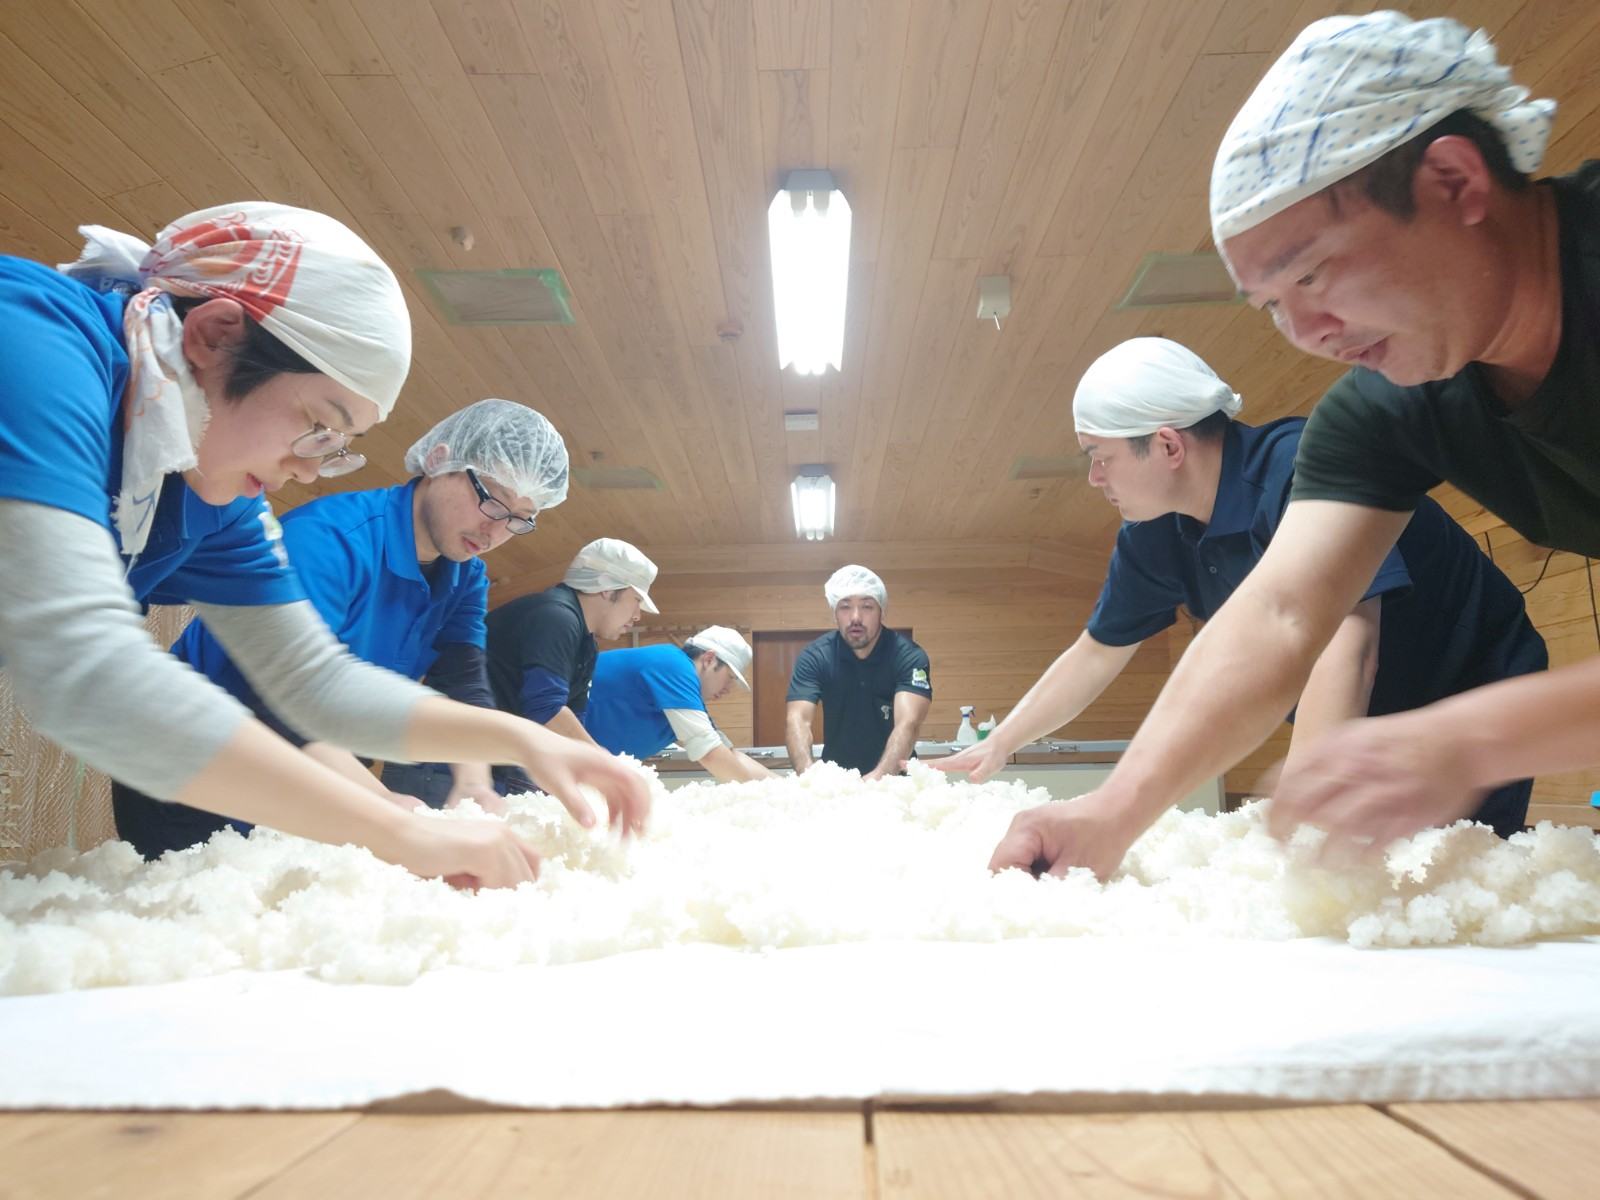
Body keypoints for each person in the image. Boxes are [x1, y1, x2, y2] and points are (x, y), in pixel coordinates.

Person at [991, 12, 1597, 877]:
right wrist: (1109, 815)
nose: (1305, 334)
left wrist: (1466, 738)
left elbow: (1352, 638)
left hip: (1470, 679)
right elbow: (1280, 615)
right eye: (1272, 305)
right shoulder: (1385, 410)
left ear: (1456, 183)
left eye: (1311, 273)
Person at [0, 203, 646, 890]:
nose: (310, 468)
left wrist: (522, 739)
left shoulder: (216, 496)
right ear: (216, 336)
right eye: (318, 423)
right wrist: (393, 828)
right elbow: (86, 672)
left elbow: (316, 683)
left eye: (338, 446)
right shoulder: (35, 344)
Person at [938, 338, 1543, 841]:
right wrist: (999, 745)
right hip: (1365, 709)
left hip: (1471, 687)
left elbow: (1347, 643)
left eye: (1101, 457)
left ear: (1169, 445)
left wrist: (1305, 801)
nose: (1094, 478)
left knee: (1448, 879)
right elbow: (1098, 650)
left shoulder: (1298, 469)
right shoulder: (1155, 532)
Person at [109, 398, 570, 856]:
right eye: (491, 501)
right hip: (195, 776)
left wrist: (473, 786)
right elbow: (285, 702)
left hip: (314, 778)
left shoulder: (464, 575)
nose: (494, 532)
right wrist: (384, 806)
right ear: (439, 461)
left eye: (519, 519)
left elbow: (464, 684)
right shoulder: (327, 541)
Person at [483, 538, 659, 788]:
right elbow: (545, 708)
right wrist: (604, 764)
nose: (637, 615)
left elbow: (572, 715)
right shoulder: (556, 617)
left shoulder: (586, 643)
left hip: (502, 762)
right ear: (608, 589)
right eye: (636, 601)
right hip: (457, 764)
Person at [786, 565, 932, 779]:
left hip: (897, 783)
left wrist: (878, 777)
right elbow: (797, 718)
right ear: (834, 613)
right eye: (845, 607)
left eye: (867, 606)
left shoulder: (908, 656)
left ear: (881, 611)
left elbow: (908, 722)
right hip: (837, 781)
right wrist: (808, 775)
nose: (855, 617)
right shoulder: (816, 656)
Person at [584, 626, 774, 782]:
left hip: (577, 769)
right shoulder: (673, 665)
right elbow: (710, 753)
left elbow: (730, 755)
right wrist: (756, 798)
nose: (728, 688)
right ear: (709, 659)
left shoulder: (683, 700)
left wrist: (785, 789)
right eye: (729, 677)